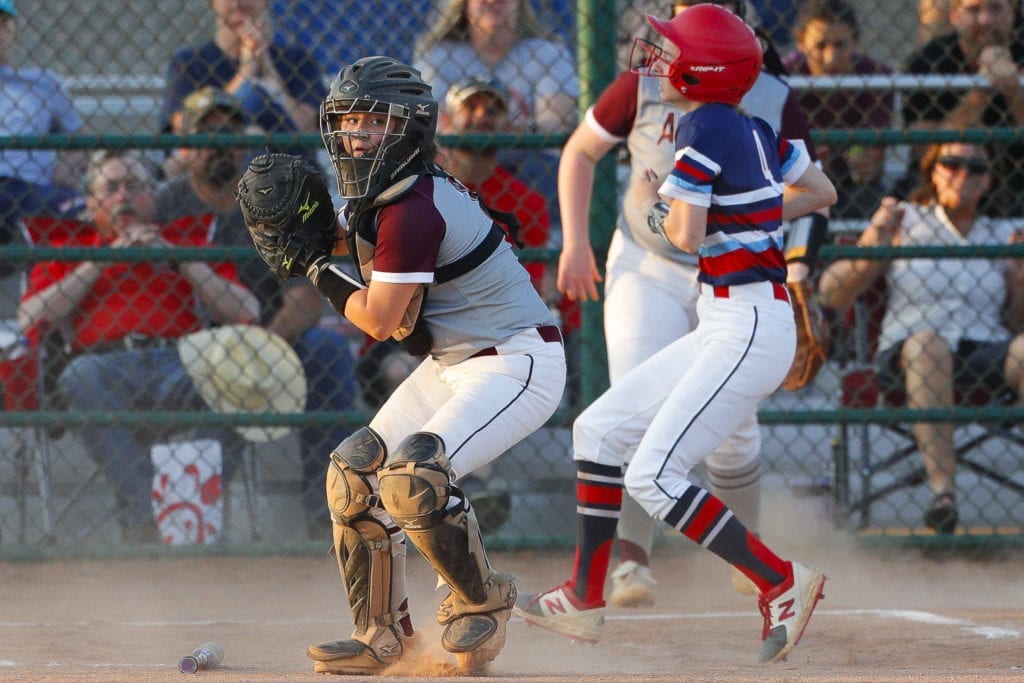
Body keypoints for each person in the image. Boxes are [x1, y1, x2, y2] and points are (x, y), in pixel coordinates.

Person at [514, 5, 833, 664]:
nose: (658, 59)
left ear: (704, 68)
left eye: (674, 51)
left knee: (655, 475)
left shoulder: (700, 126)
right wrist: (752, 205)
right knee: (597, 431)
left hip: (744, 323)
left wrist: (682, 208)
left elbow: (685, 234)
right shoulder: (747, 122)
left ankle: (779, 579)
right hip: (729, 318)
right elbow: (821, 189)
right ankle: (584, 594)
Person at [234, 56, 566, 674]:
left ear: (410, 129)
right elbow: (377, 277)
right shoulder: (385, 196)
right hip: (455, 360)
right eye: (349, 122)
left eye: (374, 122)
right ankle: (386, 636)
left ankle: (482, 599)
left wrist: (313, 265)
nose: (357, 136)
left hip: (517, 360)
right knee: (353, 476)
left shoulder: (412, 204)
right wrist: (321, 238)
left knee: (413, 476)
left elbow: (381, 319)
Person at [17, 150, 260, 543]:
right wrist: (101, 259)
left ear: (153, 195)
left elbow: (247, 310)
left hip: (183, 362)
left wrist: (178, 259)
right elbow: (32, 316)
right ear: (91, 202)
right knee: (79, 375)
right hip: (104, 368)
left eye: (134, 186)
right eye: (110, 188)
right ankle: (154, 514)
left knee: (232, 378)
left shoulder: (186, 240)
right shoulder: (71, 246)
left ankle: (185, 513)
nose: (123, 196)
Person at [154, 86, 359, 539]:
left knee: (327, 348)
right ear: (184, 148)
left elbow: (307, 297)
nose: (220, 144)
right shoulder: (166, 203)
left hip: (274, 336)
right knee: (213, 374)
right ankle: (194, 532)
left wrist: (262, 348)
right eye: (206, 136)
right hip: (195, 342)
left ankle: (329, 512)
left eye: (229, 132)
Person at [818, 142, 1024, 533]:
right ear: (932, 170)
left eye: (976, 167)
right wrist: (876, 240)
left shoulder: (1001, 233)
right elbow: (831, 293)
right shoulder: (905, 221)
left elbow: (1016, 323)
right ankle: (942, 492)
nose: (963, 174)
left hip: (985, 351)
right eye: (952, 163)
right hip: (910, 355)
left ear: (988, 181)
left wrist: (1019, 281)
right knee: (928, 343)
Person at [160, 0, 325, 176]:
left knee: (256, 119)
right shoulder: (188, 62)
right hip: (214, 169)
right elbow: (182, 130)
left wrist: (267, 67)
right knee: (251, 125)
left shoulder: (297, 59)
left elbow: (307, 129)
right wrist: (246, 71)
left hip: (289, 172)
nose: (238, 2)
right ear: (212, 3)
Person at [900, 0, 1024, 214]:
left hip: (1016, 177)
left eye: (996, 8)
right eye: (974, 10)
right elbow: (926, 151)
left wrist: (1013, 91)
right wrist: (982, 88)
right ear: (955, 16)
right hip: (948, 178)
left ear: (1013, 13)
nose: (986, 20)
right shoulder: (928, 61)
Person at [783, 0, 895, 219]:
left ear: (855, 42)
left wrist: (860, 157)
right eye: (820, 46)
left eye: (840, 45)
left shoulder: (877, 76)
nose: (830, 57)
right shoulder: (784, 76)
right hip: (795, 183)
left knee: (868, 198)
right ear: (801, 41)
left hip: (850, 182)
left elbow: (873, 156)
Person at [0, 0, 84, 267]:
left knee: (82, 209)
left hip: (30, 187)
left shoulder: (41, 82)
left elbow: (81, 136)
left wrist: (68, 167)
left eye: (2, 24)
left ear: (14, 29)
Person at [413, 0, 578, 134]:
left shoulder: (548, 53)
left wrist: (520, 129)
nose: (492, 1)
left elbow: (556, 127)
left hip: (527, 169)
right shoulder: (437, 55)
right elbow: (429, 128)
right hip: (457, 168)